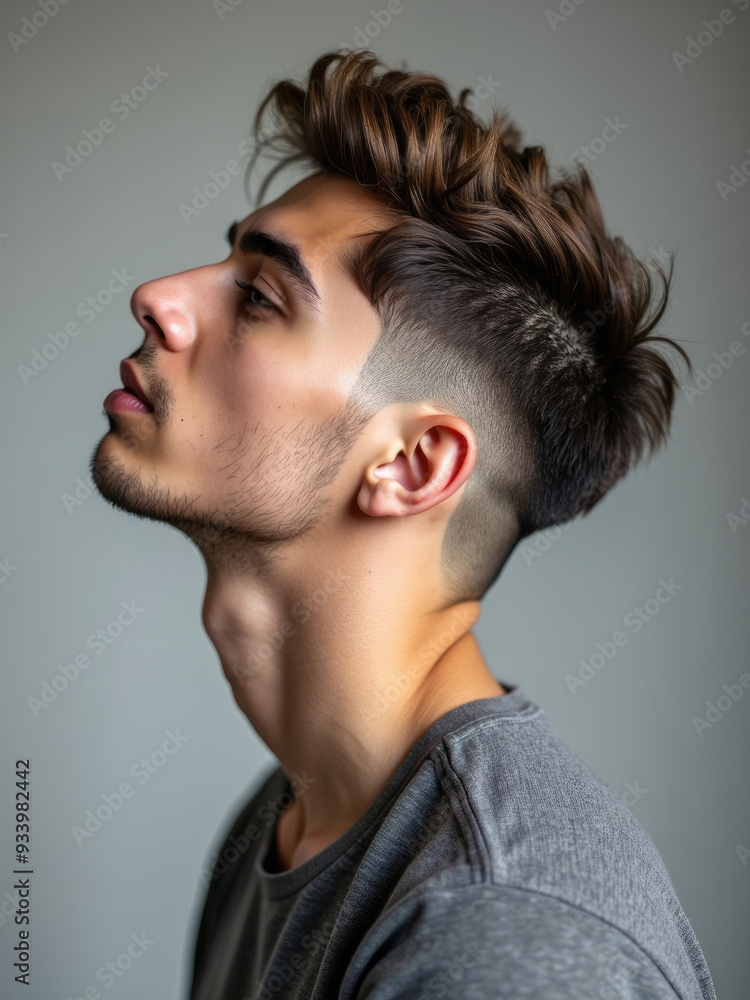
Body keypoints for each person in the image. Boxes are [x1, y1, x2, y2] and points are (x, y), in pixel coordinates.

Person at [90, 47, 716, 1000]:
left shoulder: (497, 934)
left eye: (258, 298)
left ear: (412, 466)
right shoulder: (284, 824)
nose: (162, 297)